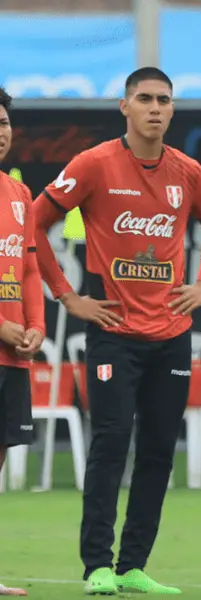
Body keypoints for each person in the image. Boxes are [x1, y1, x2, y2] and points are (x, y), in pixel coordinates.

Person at [31, 67, 201, 595]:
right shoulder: (94, 164)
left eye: (164, 100)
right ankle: (97, 564)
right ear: (125, 107)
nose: (155, 108)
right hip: (113, 331)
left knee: (160, 447)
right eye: (144, 99)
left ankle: (133, 565)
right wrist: (67, 296)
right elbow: (34, 223)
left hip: (171, 334)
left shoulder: (188, 172)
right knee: (111, 442)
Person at [0, 86, 43, 599]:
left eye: (6, 122)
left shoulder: (18, 194)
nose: (2, 131)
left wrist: (36, 327)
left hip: (14, 353)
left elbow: (29, 266)